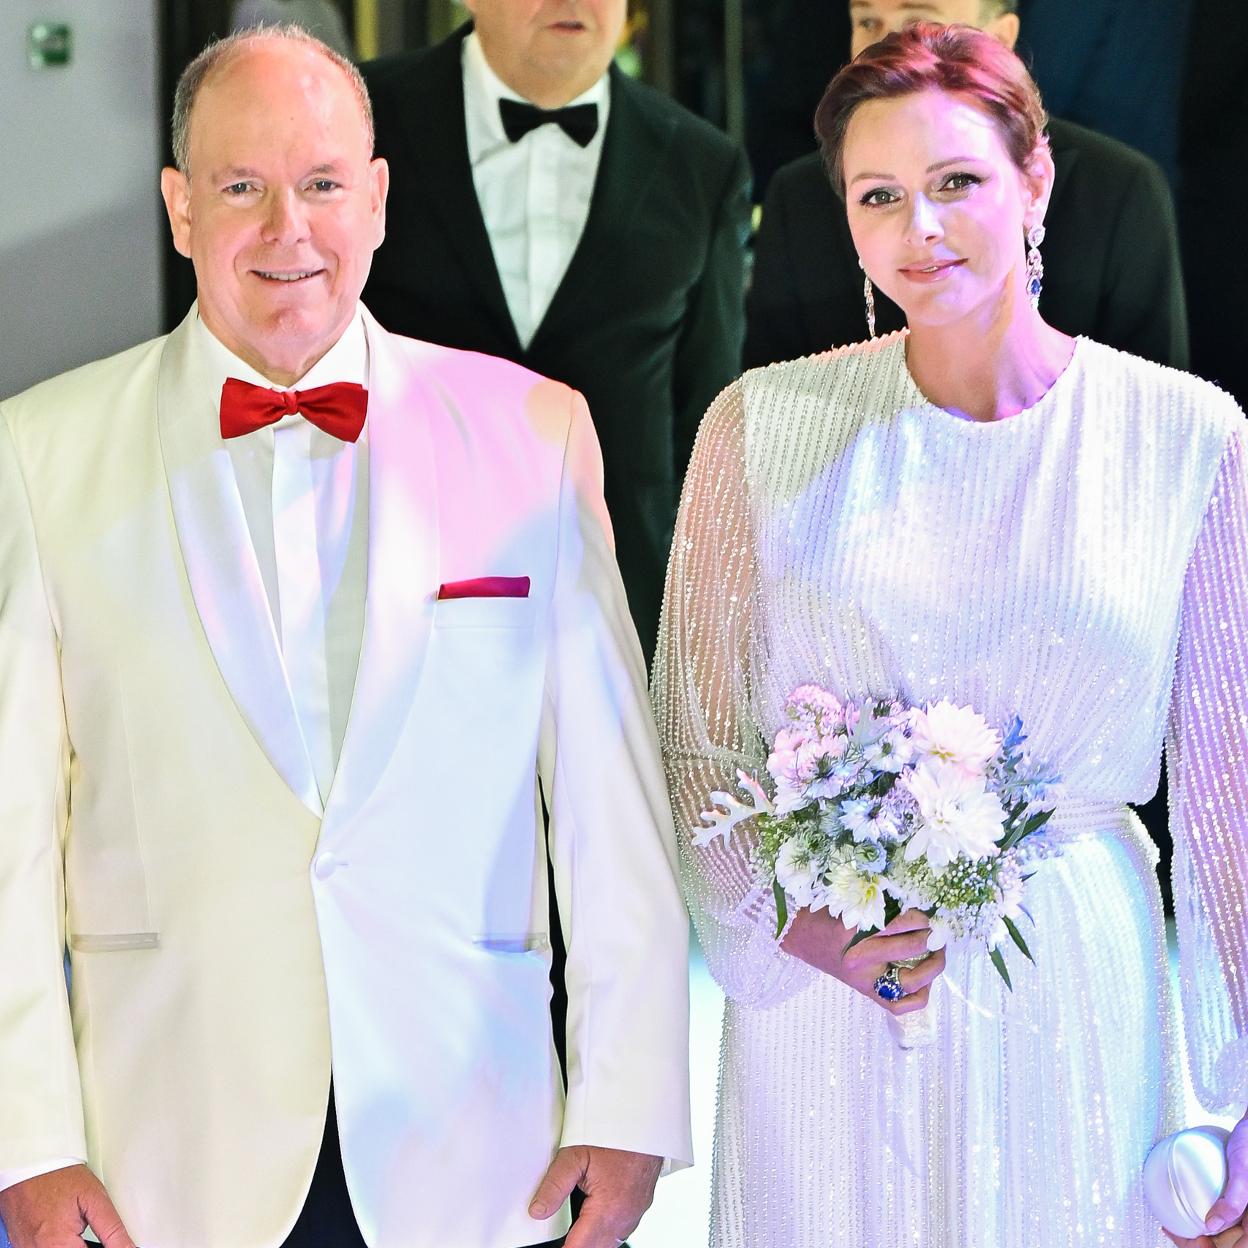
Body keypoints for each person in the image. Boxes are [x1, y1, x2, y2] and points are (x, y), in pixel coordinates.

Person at [0, 26, 692, 1248]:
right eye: (240, 187)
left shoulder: (537, 432)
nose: (288, 229)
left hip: (477, 1144)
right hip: (168, 1153)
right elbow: (7, 834)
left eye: (322, 184)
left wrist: (630, 1096)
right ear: (177, 208)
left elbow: (608, 807)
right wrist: (26, 1142)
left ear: (375, 200)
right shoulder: (40, 455)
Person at [653, 22, 1248, 1248]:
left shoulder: (1186, 437)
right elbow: (698, 747)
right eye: (880, 197)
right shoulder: (762, 426)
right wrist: (809, 935)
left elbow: (1228, 795)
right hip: (831, 1007)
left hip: (1078, 989)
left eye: (956, 184)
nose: (919, 229)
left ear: (1035, 184)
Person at [359, 1, 751, 666]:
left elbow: (705, 433)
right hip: (394, 600)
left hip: (617, 620)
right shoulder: (359, 117)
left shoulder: (702, 166)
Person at [744, 0, 1189, 372]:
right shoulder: (799, 196)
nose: (893, 46)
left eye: (921, 23)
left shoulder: (1120, 189)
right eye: (868, 23)